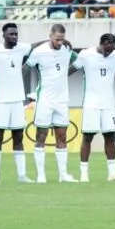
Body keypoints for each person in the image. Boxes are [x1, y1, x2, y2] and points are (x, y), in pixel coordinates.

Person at [0, 23, 33, 185]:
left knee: (18, 138)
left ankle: (22, 176)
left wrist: (51, 40)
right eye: (11, 34)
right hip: (1, 101)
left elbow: (35, 46)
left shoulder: (22, 48)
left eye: (16, 34)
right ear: (3, 35)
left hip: (17, 101)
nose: (14, 37)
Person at [26, 24, 78, 183]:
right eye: (57, 39)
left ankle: (63, 175)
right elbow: (26, 68)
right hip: (45, 100)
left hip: (62, 100)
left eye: (62, 39)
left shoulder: (67, 49)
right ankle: (41, 175)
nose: (60, 43)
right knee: (41, 136)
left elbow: (79, 61)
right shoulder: (38, 52)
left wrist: (65, 74)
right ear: (50, 36)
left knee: (62, 136)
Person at [74, 33, 115, 182]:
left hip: (108, 104)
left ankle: (112, 174)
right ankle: (84, 174)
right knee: (88, 137)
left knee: (110, 137)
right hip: (91, 104)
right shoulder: (85, 54)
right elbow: (71, 69)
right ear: (101, 43)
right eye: (107, 49)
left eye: (112, 49)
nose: (108, 52)